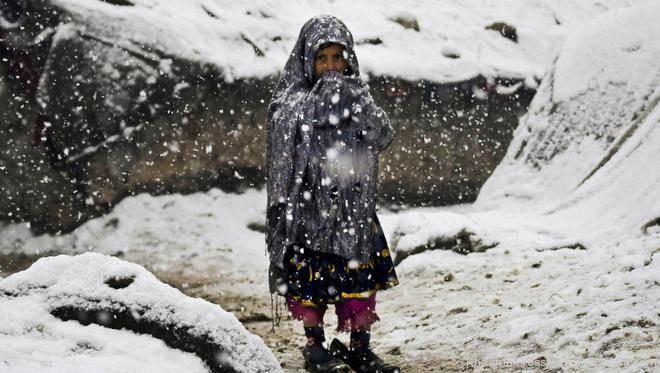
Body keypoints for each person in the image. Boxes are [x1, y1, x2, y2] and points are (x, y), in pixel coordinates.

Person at [266, 15, 400, 372]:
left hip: (354, 214)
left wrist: (358, 102)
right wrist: (318, 105)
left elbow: (382, 135)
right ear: (307, 60)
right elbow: (284, 139)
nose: (329, 67)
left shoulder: (357, 96)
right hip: (311, 215)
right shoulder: (293, 102)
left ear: (349, 59)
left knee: (358, 282)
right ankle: (314, 345)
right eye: (321, 58)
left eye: (337, 57)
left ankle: (359, 346)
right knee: (313, 285)